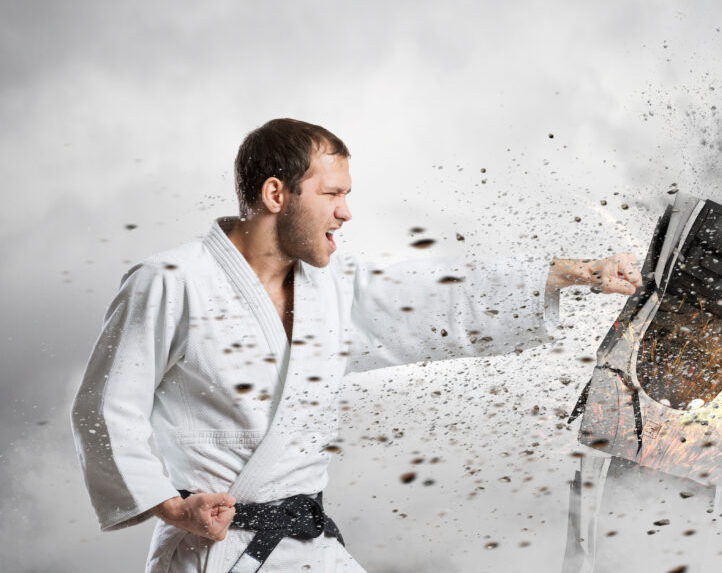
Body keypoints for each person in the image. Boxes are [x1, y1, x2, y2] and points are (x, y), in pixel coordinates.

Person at [71, 118, 640, 573]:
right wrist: (171, 505)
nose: (346, 211)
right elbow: (105, 408)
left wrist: (579, 272)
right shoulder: (171, 280)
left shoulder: (329, 287)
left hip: (308, 546)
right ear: (276, 193)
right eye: (332, 193)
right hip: (215, 550)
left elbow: (437, 296)